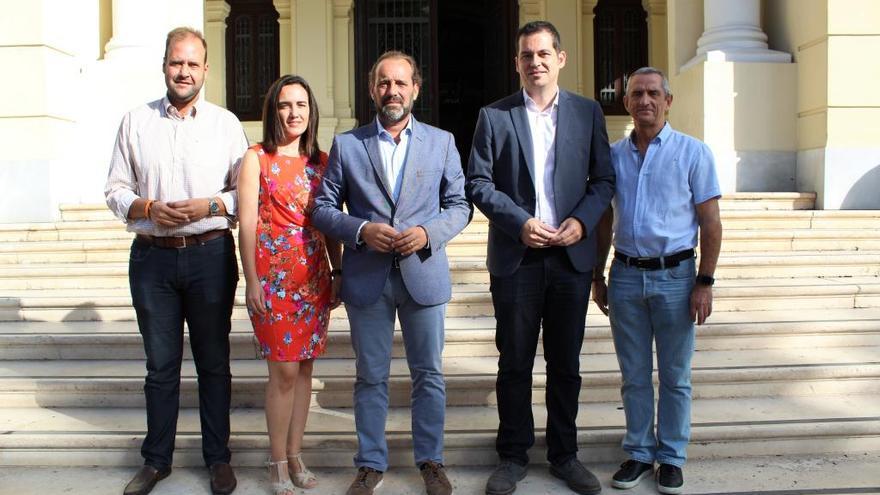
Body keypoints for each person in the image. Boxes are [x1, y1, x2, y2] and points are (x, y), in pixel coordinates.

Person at [311, 50, 470, 495]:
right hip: (368, 277)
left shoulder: (441, 142)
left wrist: (426, 232)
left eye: (401, 83)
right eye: (384, 83)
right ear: (371, 89)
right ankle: (369, 463)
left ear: (416, 89)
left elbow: (460, 207)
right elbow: (322, 209)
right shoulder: (348, 143)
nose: (392, 91)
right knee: (370, 376)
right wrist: (360, 230)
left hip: (423, 273)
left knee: (429, 375)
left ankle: (431, 461)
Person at [467, 20, 615, 495]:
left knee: (565, 364)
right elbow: (479, 183)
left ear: (560, 58)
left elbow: (603, 181)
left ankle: (564, 455)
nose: (536, 63)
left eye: (544, 54)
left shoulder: (588, 113)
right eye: (527, 56)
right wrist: (520, 222)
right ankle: (512, 456)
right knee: (514, 363)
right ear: (517, 63)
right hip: (517, 257)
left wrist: (583, 222)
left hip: (571, 258)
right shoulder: (494, 116)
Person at [105, 27, 247, 495]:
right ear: (164, 65)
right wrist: (147, 208)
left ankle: (217, 458)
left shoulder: (226, 124)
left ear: (205, 69)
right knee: (160, 367)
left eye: (192, 64)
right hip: (153, 260)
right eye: (175, 62)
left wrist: (208, 206)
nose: (183, 71)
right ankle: (156, 461)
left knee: (213, 362)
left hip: (210, 256)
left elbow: (244, 192)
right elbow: (116, 189)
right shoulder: (134, 121)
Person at [591, 67, 722, 495]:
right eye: (636, 94)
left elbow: (710, 221)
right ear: (626, 102)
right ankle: (639, 452)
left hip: (677, 278)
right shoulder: (612, 156)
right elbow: (604, 218)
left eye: (653, 93)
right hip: (625, 276)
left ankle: (671, 456)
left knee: (675, 375)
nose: (644, 101)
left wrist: (705, 282)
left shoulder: (694, 153)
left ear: (668, 100)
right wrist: (597, 274)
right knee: (633, 375)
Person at [237, 74, 342, 495]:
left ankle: (296, 455)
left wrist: (338, 270)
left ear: (310, 111)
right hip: (274, 278)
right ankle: (276, 461)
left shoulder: (322, 160)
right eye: (285, 105)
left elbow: (331, 221)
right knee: (282, 371)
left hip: (313, 275)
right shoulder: (256, 158)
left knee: (303, 371)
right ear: (273, 110)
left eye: (301, 104)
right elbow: (245, 222)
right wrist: (251, 281)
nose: (293, 112)